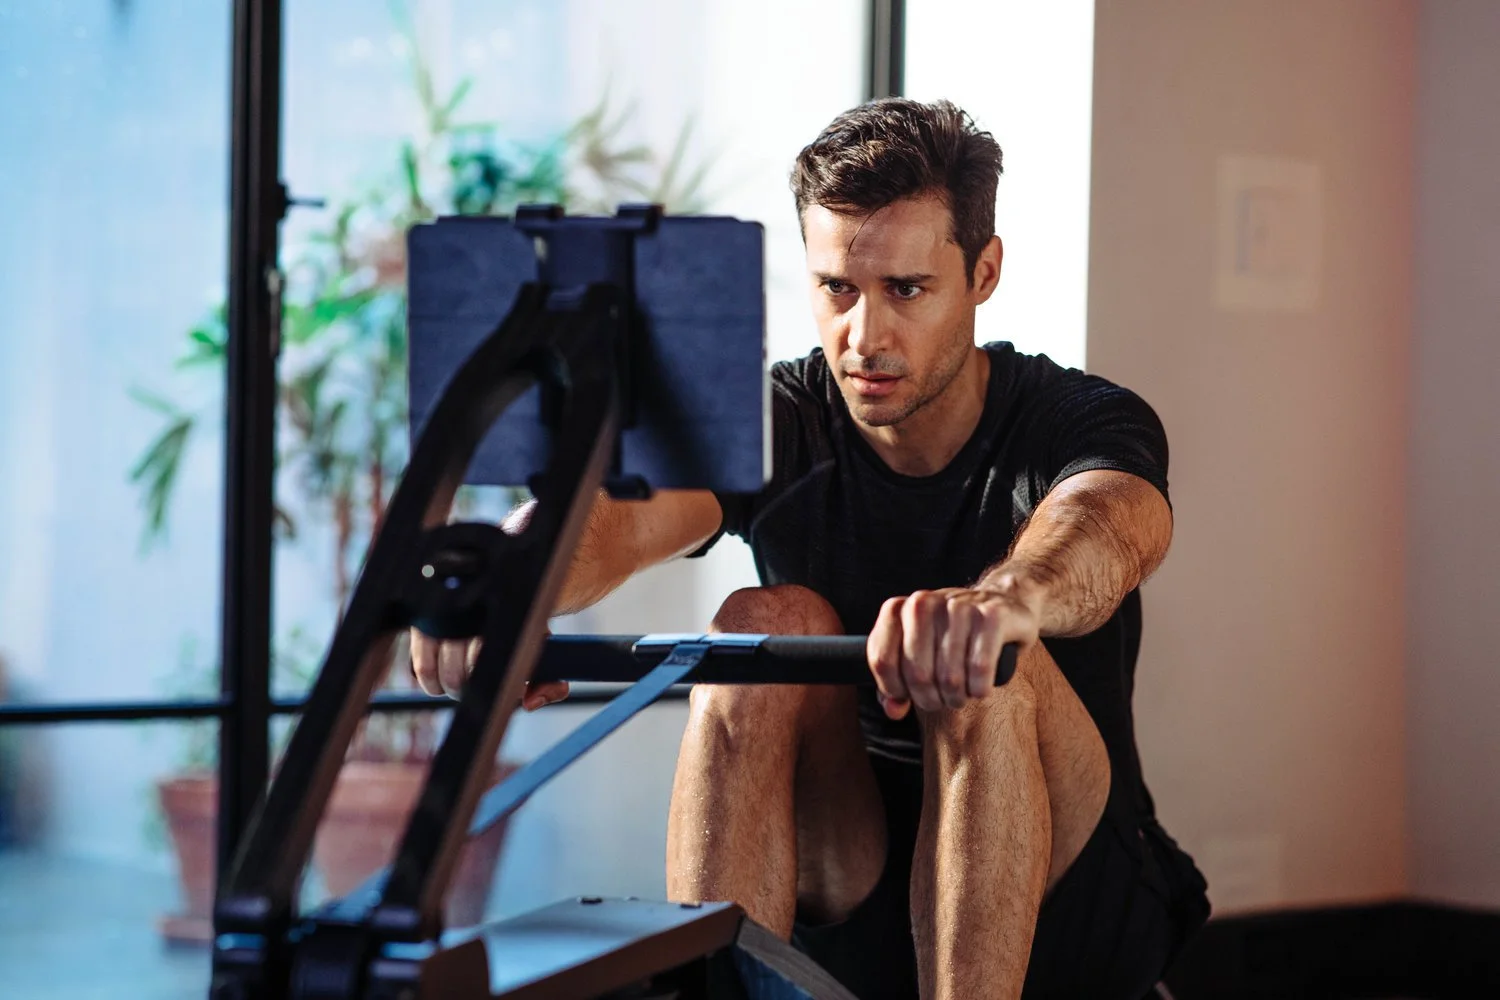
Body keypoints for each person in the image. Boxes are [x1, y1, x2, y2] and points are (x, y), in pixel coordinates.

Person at [412, 97, 1210, 1000]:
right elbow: (622, 516)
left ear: (983, 271)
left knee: (997, 661)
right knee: (758, 623)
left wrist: (1005, 599)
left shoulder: (1077, 416)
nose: (864, 337)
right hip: (853, 875)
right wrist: (516, 574)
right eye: (839, 289)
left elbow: (1112, 525)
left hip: (1076, 899)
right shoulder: (780, 420)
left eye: (905, 290)